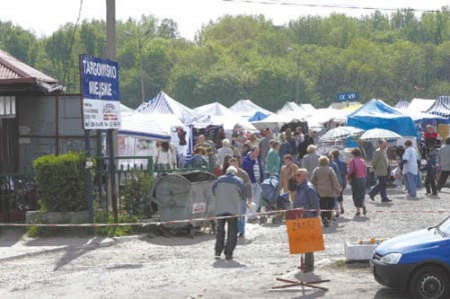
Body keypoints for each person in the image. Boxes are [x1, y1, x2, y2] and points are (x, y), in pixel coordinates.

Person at [212, 166, 246, 261]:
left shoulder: (218, 180)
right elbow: (243, 194)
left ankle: (218, 251)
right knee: (232, 231)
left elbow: (213, 191)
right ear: (234, 173)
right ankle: (228, 253)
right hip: (233, 209)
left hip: (220, 208)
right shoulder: (239, 181)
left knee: (220, 230)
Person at [293, 168, 320, 272]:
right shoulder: (300, 187)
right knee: (303, 242)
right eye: (296, 175)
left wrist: (313, 218)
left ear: (304, 176)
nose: (296, 177)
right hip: (300, 218)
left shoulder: (309, 188)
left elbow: (315, 205)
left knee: (309, 243)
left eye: (298, 175)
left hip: (308, 218)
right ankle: (305, 263)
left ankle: (309, 265)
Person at [311, 156, 341, 227]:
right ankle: (328, 218)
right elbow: (334, 180)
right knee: (330, 206)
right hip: (330, 190)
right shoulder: (330, 169)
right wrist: (338, 189)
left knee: (322, 205)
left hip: (320, 191)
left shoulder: (316, 170)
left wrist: (315, 187)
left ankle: (323, 218)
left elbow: (312, 180)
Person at [229, 157, 252, 238]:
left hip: (242, 198)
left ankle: (241, 232)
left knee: (241, 216)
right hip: (232, 198)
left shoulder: (243, 173)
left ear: (237, 164)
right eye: (231, 164)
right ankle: (236, 230)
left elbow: (248, 186)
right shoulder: (228, 174)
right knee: (234, 216)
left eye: (234, 163)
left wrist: (249, 199)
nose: (232, 165)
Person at [242, 147, 264, 221]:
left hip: (258, 182)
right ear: (252, 152)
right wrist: (253, 161)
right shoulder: (246, 159)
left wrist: (262, 180)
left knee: (257, 199)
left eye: (258, 152)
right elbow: (246, 168)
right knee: (250, 200)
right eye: (256, 152)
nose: (258, 153)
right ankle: (249, 216)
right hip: (250, 182)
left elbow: (261, 170)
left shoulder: (258, 159)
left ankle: (253, 215)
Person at [347, 148, 368, 216]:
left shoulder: (352, 161)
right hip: (362, 179)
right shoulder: (363, 161)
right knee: (362, 194)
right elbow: (365, 171)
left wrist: (347, 177)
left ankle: (358, 210)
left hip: (355, 179)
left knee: (355, 194)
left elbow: (350, 171)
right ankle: (363, 205)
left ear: (353, 154)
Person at [331, 149, 347, 214]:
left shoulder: (331, 164)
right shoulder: (343, 163)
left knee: (333, 196)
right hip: (342, 180)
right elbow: (346, 173)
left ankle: (336, 210)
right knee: (340, 194)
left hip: (333, 181)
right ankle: (341, 206)